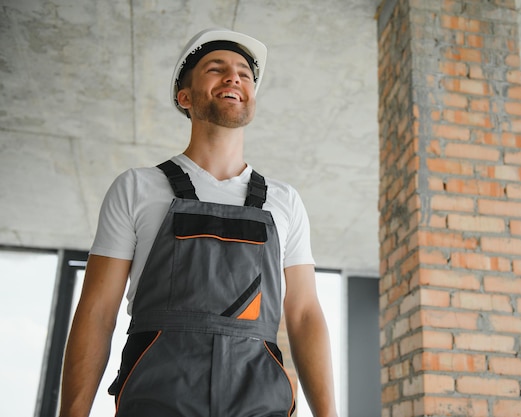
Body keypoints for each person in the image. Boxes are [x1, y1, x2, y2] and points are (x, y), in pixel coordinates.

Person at [59, 28, 338, 417]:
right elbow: (97, 311)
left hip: (258, 401)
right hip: (156, 398)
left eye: (244, 72)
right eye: (216, 68)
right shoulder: (138, 187)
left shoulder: (284, 200)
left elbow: (305, 313)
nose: (234, 77)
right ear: (184, 97)